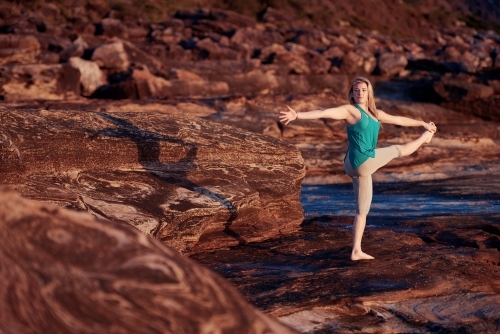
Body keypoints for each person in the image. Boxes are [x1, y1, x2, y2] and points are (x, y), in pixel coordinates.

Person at [279, 76, 437, 261]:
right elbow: (325, 112)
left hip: (355, 165)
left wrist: (422, 123)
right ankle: (424, 139)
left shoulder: (375, 113)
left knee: (362, 210)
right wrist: (297, 115)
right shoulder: (350, 111)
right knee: (397, 150)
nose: (360, 93)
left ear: (368, 92)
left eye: (363, 90)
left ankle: (356, 250)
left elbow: (399, 119)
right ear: (352, 94)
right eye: (356, 90)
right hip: (362, 160)